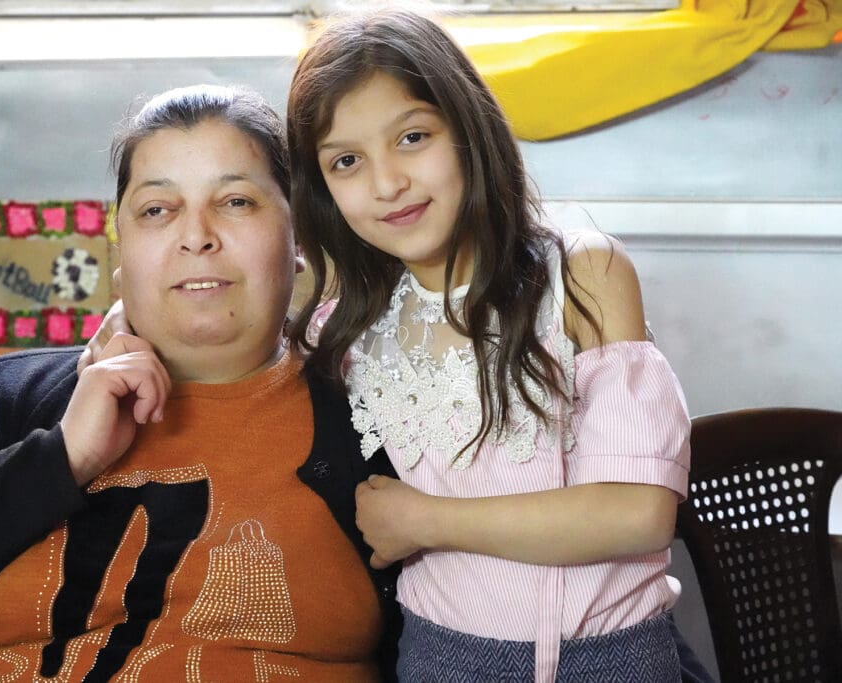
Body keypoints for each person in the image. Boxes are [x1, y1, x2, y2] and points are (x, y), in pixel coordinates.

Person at [0, 85, 402, 682]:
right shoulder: (16, 397)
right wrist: (62, 457)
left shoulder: (380, 413)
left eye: (235, 202)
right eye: (157, 209)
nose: (196, 235)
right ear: (120, 250)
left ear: (298, 237)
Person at [283, 8, 695, 682]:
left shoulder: (583, 277)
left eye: (413, 137)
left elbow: (637, 511)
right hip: (442, 658)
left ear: (468, 130)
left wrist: (425, 519)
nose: (387, 183)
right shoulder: (346, 326)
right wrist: (127, 328)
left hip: (615, 657)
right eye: (347, 161)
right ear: (321, 185)